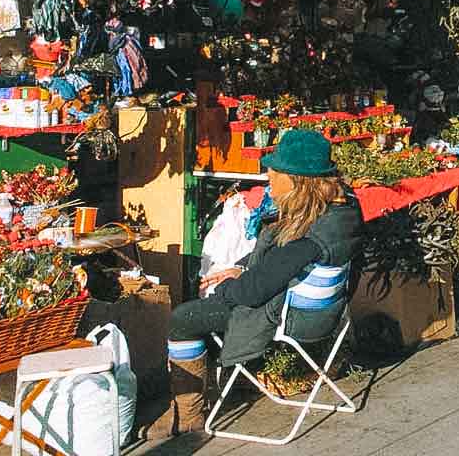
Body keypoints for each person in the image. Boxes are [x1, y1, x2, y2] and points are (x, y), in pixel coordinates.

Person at [150, 131, 363, 436]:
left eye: (274, 174)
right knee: (223, 290)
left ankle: (189, 415)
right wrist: (244, 270)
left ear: (297, 180)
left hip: (296, 321)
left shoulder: (311, 237)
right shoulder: (344, 209)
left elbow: (252, 292)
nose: (269, 180)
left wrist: (219, 291)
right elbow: (277, 267)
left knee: (183, 319)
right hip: (328, 312)